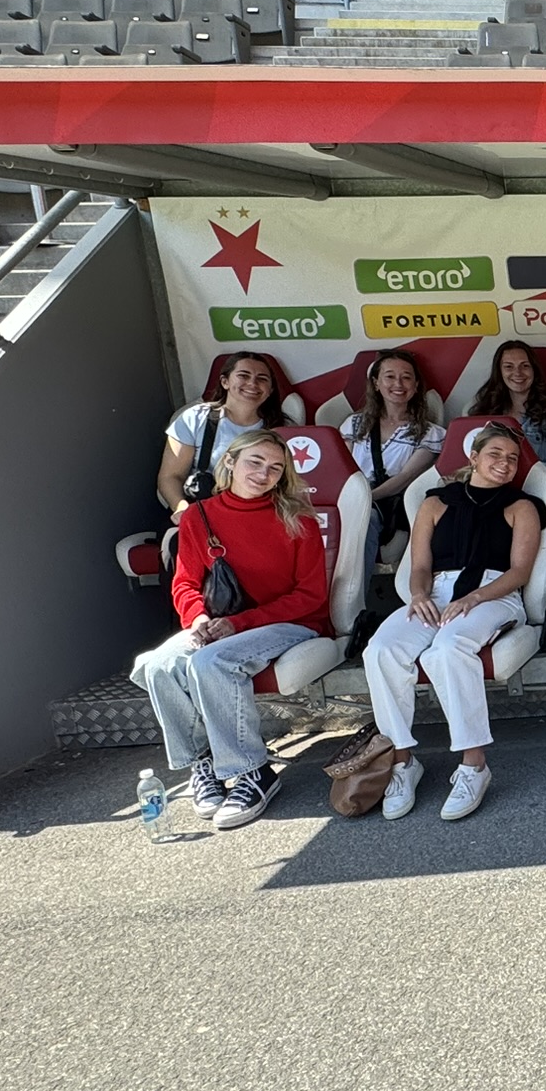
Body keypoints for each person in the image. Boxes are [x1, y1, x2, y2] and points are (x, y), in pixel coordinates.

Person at [131, 429, 330, 830]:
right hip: (220, 623)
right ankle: (204, 763)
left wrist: (236, 624)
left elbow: (310, 595)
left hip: (290, 623)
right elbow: (186, 584)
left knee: (211, 662)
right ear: (230, 462)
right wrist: (199, 619)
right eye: (255, 462)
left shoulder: (298, 519)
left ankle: (253, 771)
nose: (264, 473)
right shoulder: (198, 517)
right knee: (158, 665)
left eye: (275, 468)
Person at [367, 422, 546, 823]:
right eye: (495, 454)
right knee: (381, 649)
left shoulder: (522, 506)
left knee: (448, 647)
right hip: (436, 592)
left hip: (493, 593)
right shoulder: (434, 503)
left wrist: (474, 597)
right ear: (474, 457)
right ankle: (402, 760)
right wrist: (418, 596)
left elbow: (519, 571)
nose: (505, 463)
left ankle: (473, 764)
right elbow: (420, 567)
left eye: (512, 458)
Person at [154, 351, 287, 575]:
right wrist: (183, 509)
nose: (252, 384)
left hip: (253, 514)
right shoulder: (195, 418)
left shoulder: (282, 431)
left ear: (271, 389)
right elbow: (169, 477)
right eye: (243, 376)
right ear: (225, 381)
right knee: (174, 543)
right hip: (199, 509)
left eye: (262, 379)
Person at [341, 349, 445, 579]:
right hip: (349, 497)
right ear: (376, 383)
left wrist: (365, 499)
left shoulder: (430, 433)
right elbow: (342, 470)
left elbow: (405, 478)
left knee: (364, 520)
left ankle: (354, 596)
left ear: (416, 386)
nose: (398, 383)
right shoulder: (353, 424)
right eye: (389, 376)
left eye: (406, 377)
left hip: (389, 504)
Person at [468, 339, 546, 496]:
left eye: (525, 366)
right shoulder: (482, 411)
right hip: (487, 490)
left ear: (534, 370)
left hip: (539, 492)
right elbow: (467, 459)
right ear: (499, 372)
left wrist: (519, 476)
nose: (518, 373)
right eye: (509, 366)